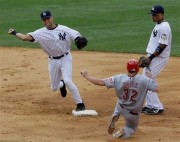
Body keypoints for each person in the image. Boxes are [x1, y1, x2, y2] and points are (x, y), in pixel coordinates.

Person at [8, 10, 88, 111]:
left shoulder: (64, 29)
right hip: (52, 61)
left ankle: (80, 104)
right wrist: (14, 32)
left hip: (66, 58)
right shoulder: (40, 33)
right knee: (54, 88)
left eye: (48, 19)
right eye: (44, 20)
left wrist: (78, 39)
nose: (46, 21)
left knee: (68, 81)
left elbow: (76, 36)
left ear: (52, 18)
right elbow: (24, 37)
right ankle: (61, 84)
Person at [81, 59, 158, 139]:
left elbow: (101, 82)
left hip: (121, 107)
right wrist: (149, 77)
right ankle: (122, 132)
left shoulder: (118, 78)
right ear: (138, 69)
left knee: (120, 100)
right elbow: (156, 89)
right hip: (133, 113)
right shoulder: (144, 80)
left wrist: (86, 76)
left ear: (127, 68)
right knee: (131, 128)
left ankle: (116, 114)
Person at [141, 5, 172, 115]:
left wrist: (150, 58)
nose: (153, 17)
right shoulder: (158, 25)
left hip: (159, 58)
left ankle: (156, 107)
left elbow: (162, 45)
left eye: (155, 15)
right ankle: (150, 105)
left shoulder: (164, 27)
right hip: (153, 56)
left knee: (147, 80)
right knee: (146, 79)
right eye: (152, 15)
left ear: (161, 14)